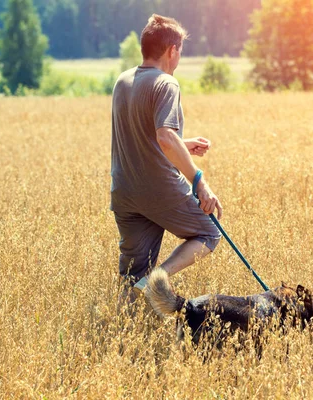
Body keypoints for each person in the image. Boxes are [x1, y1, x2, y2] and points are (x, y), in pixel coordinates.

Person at [110, 14, 222, 308]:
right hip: (158, 189)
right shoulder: (166, 84)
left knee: (131, 275)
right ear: (172, 50)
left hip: (124, 193)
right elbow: (163, 138)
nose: (180, 57)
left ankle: (121, 331)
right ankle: (157, 279)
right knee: (209, 232)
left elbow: (140, 138)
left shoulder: (123, 81)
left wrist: (183, 145)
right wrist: (200, 182)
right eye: (180, 50)